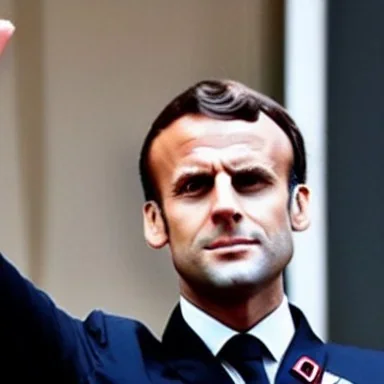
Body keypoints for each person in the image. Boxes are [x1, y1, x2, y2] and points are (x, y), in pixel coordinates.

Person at [0, 20, 383, 384]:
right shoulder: (103, 366)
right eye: (194, 186)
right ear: (156, 221)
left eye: (250, 180)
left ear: (297, 205)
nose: (224, 206)